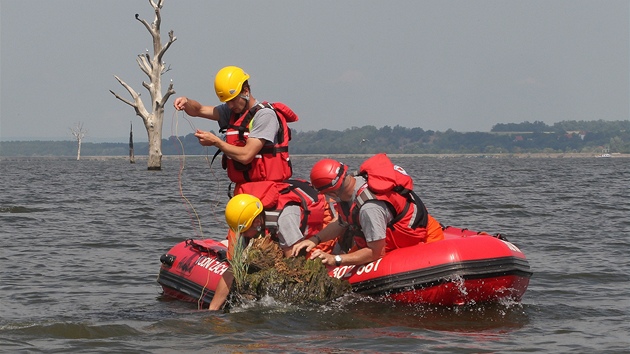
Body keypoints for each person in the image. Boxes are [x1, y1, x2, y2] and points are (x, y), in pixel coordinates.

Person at [291, 153, 444, 268]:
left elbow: (376, 252)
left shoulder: (368, 207)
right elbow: (341, 222)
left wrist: (336, 259)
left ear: (331, 193)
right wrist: (314, 240)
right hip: (383, 240)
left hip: (423, 240)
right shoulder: (352, 188)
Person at [210, 189, 336, 311]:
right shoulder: (248, 224)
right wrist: (213, 310)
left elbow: (293, 263)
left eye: (244, 232)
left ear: (257, 222)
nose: (241, 235)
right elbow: (233, 269)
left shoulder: (284, 219)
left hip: (321, 220)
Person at [173, 65, 296, 186]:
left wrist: (216, 142)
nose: (230, 105)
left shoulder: (265, 116)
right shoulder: (232, 112)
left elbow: (246, 155)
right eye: (227, 101)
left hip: (268, 189)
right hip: (245, 190)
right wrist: (186, 101)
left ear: (245, 91)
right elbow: (198, 110)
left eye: (233, 100)